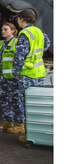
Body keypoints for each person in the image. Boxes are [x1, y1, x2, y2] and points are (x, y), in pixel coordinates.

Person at [12, 9, 51, 141]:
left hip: (27, 74)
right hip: (39, 72)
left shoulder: (24, 34)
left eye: (18, 19)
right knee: (37, 104)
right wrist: (36, 54)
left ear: (22, 19)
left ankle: (30, 135)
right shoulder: (39, 31)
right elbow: (47, 43)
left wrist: (16, 72)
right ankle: (40, 133)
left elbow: (19, 55)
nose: (17, 21)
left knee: (27, 105)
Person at [0, 22, 21, 131]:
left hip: (13, 77)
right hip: (3, 77)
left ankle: (19, 124)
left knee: (15, 100)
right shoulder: (1, 44)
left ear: (13, 31)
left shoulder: (17, 43)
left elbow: (19, 59)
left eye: (6, 29)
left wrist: (17, 73)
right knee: (4, 99)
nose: (3, 32)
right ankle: (8, 121)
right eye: (2, 30)